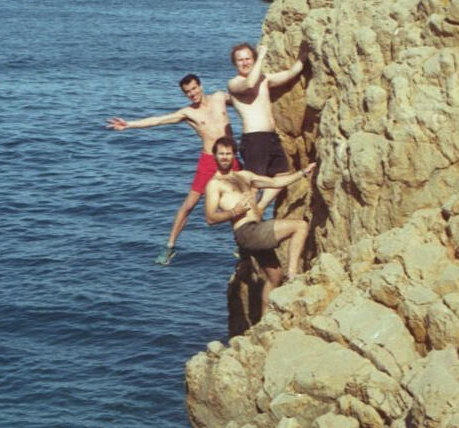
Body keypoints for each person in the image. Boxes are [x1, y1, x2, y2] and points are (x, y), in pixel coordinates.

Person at [106, 74, 239, 265]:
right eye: (187, 92)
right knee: (189, 205)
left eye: (194, 89)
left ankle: (241, 243)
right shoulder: (188, 113)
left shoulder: (220, 98)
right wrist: (129, 125)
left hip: (230, 155)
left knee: (244, 196)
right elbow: (159, 120)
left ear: (200, 86)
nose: (192, 94)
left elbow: (245, 101)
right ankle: (169, 246)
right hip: (209, 160)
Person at [204, 136, 315, 314]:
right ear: (215, 156)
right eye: (221, 154)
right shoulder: (214, 185)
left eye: (228, 154)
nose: (224, 157)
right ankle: (293, 274)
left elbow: (275, 182)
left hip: (256, 229)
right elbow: (210, 217)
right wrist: (233, 212)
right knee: (300, 226)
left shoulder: (244, 176)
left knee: (274, 277)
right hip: (247, 232)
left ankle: (264, 321)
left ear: (233, 155)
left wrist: (302, 173)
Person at [227, 42, 306, 215]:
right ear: (235, 64)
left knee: (282, 175)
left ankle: (260, 208)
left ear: (252, 59)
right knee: (253, 185)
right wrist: (261, 56)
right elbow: (249, 84)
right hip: (254, 139)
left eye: (248, 58)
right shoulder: (234, 83)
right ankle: (246, 220)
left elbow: (291, 73)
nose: (245, 62)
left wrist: (305, 52)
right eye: (240, 60)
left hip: (270, 138)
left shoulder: (264, 79)